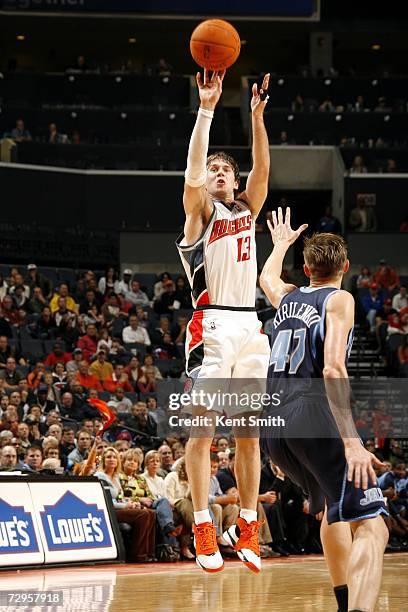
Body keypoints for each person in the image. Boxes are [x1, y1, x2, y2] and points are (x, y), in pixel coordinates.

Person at [259, 207, 388, 612]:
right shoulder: (340, 299)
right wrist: (352, 442)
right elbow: (333, 367)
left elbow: (266, 278)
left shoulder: (287, 297)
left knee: (337, 508)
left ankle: (344, 602)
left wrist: (280, 245)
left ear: (307, 267)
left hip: (274, 425)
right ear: (345, 267)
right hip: (310, 411)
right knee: (374, 524)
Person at [175, 68, 271, 573]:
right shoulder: (199, 213)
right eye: (212, 170)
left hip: (250, 328)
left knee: (249, 435)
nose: (216, 174)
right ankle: (203, 526)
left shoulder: (248, 211)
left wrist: (256, 117)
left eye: (223, 171)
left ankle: (249, 526)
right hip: (210, 326)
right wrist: (207, 107)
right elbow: (192, 172)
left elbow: (262, 171)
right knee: (203, 435)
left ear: (233, 182)